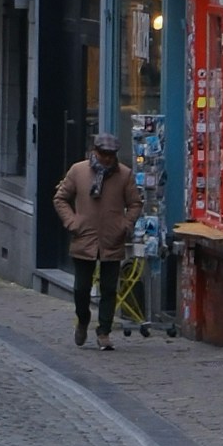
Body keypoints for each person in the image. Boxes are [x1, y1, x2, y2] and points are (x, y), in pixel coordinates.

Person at [53, 128, 141, 351]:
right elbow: (61, 198)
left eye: (111, 155)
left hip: (112, 238)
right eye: (103, 154)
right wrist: (73, 222)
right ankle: (83, 320)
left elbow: (135, 203)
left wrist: (125, 224)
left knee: (109, 288)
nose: (107, 159)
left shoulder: (124, 175)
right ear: (95, 151)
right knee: (81, 288)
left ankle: (104, 331)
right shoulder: (78, 171)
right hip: (84, 236)